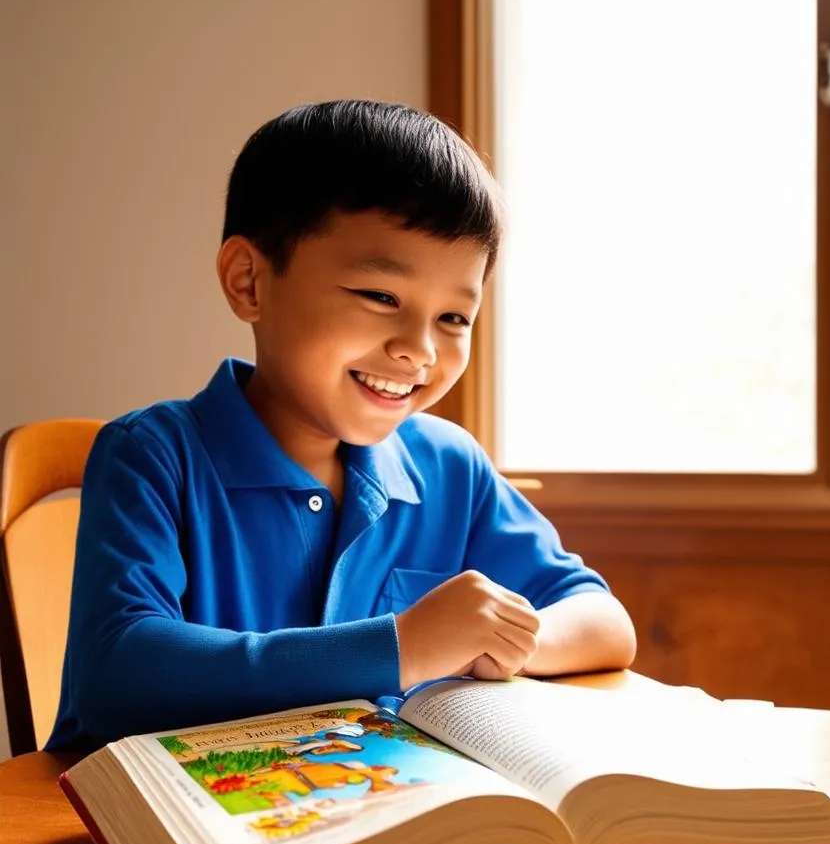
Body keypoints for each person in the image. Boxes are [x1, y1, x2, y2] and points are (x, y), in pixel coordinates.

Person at [47, 100, 636, 753]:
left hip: (372, 821)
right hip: (159, 834)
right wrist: (401, 648)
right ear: (249, 282)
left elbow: (602, 620)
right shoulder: (153, 455)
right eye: (381, 297)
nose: (419, 349)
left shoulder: (448, 466)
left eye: (453, 318)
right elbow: (117, 674)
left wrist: (507, 642)